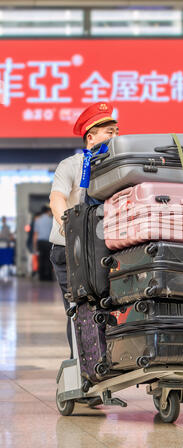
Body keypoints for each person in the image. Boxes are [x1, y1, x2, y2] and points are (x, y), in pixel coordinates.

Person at [49, 102, 119, 358]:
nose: (115, 136)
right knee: (79, 308)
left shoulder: (119, 167)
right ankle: (82, 370)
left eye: (117, 131)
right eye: (109, 132)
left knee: (108, 306)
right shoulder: (73, 165)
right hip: (71, 250)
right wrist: (66, 224)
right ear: (91, 136)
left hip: (106, 246)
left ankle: (105, 363)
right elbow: (57, 198)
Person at [33, 205, 53, 281]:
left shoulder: (37, 220)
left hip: (40, 243)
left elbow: (35, 235)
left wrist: (35, 246)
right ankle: (49, 277)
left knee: (41, 259)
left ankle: (41, 277)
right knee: (49, 260)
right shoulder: (51, 220)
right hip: (49, 242)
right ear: (47, 211)